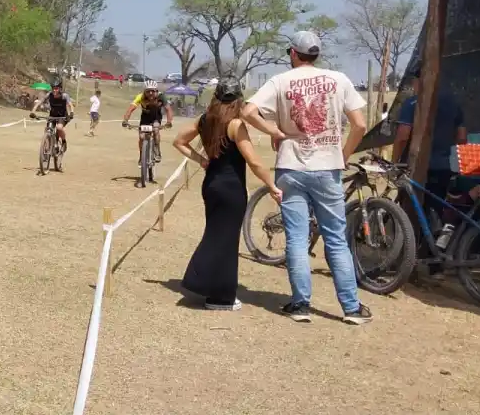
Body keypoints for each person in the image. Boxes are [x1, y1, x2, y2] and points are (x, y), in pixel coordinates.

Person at [241, 30, 372, 325]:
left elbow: (248, 111)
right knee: (336, 239)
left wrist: (274, 131)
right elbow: (360, 124)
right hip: (328, 167)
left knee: (297, 240)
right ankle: (351, 308)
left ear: (292, 53)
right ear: (317, 54)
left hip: (291, 167)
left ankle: (300, 304)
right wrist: (344, 154)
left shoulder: (280, 81)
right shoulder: (339, 79)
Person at [173, 77, 281, 310]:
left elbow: (179, 141)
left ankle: (222, 292)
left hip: (211, 184)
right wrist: (271, 185)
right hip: (231, 189)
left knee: (220, 236)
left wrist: (201, 160)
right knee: (223, 239)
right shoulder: (235, 125)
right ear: (239, 99)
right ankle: (213, 292)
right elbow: (253, 160)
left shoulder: (204, 120)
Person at [392, 68, 469, 274]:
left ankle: (407, 260)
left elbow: (402, 136)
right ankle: (435, 263)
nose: (414, 85)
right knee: (436, 212)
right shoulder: (454, 104)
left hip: (416, 168)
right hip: (444, 167)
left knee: (411, 213)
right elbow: (462, 138)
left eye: (414, 81)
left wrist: (395, 162)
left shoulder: (412, 104)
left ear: (420, 80)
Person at [122, 81, 174, 162]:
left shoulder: (161, 97)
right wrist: (125, 120)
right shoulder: (140, 97)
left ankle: (157, 150)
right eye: (148, 91)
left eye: (152, 91)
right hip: (145, 118)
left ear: (156, 91)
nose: (150, 93)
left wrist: (169, 121)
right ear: (144, 91)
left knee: (156, 130)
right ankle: (141, 156)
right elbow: (130, 109)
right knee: (141, 137)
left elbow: (168, 109)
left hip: (156, 117)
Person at [30, 79, 74, 151]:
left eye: (56, 89)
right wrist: (33, 111)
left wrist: (71, 113)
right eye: (53, 88)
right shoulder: (49, 95)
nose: (54, 90)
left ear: (60, 89)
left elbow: (70, 105)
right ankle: (47, 145)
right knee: (47, 130)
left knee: (59, 128)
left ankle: (63, 142)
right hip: (52, 115)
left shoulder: (64, 96)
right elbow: (40, 102)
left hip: (62, 116)